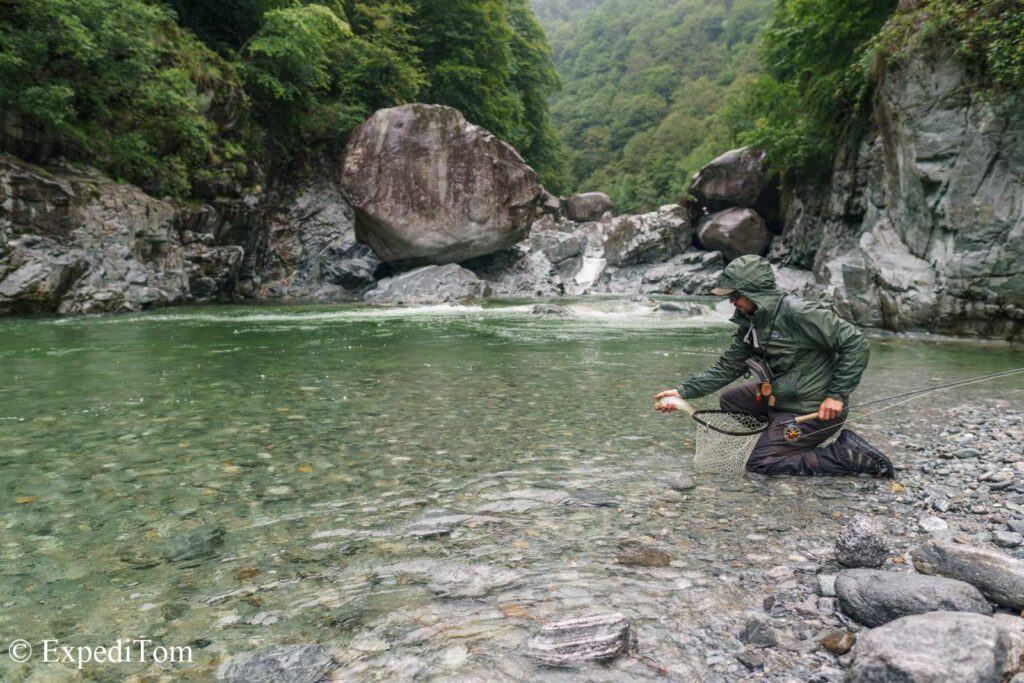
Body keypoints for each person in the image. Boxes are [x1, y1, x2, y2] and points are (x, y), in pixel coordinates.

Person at [655, 255, 893, 478]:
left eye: (735, 295)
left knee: (759, 464)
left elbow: (856, 343)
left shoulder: (800, 313)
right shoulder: (752, 321)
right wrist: (682, 392)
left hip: (814, 408)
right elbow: (727, 367)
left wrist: (836, 396)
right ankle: (782, 440)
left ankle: (843, 455)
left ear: (754, 292)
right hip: (782, 399)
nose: (731, 301)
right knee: (732, 400)